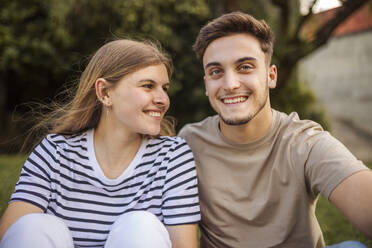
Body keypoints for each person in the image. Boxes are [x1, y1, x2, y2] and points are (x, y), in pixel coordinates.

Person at [179, 11, 372, 248]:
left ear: (271, 76)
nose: (230, 84)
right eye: (216, 72)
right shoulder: (188, 144)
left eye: (245, 67)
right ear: (207, 84)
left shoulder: (304, 143)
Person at [0, 39, 200, 248]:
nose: (163, 99)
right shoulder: (56, 150)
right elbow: (12, 236)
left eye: (164, 88)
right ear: (104, 93)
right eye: (148, 86)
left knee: (141, 225)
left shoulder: (173, 156)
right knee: (33, 226)